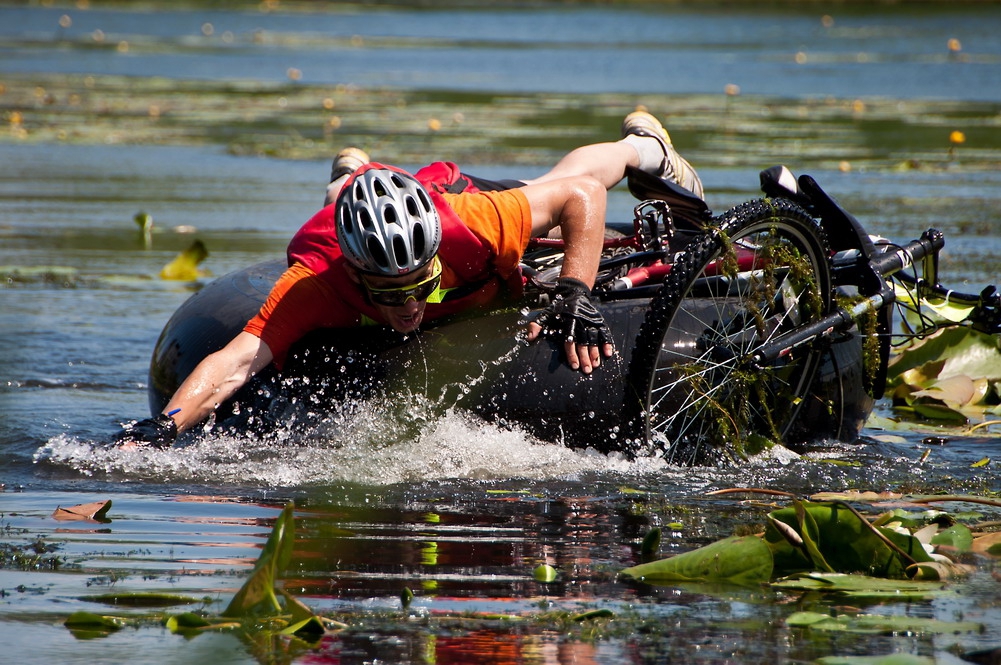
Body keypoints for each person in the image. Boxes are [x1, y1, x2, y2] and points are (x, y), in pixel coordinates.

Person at [116, 110, 703, 448]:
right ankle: (348, 181)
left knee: (553, 182)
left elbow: (584, 195)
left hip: (443, 197)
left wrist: (576, 294)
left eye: (421, 285)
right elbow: (234, 362)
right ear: (357, 275)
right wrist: (162, 428)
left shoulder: (471, 225)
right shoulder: (316, 284)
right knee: (339, 205)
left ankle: (642, 147)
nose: (410, 307)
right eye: (389, 294)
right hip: (343, 229)